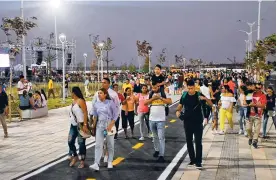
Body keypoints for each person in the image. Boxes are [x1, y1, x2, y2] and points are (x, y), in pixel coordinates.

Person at [175, 80, 213, 169]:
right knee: (189, 141)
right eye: (188, 88)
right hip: (187, 121)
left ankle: (198, 162)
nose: (190, 90)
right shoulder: (184, 95)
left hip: (197, 121)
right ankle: (192, 160)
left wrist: (206, 99)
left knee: (198, 142)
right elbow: (180, 105)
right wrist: (177, 111)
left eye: (192, 88)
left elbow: (211, 105)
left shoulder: (199, 95)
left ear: (195, 87)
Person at [89, 88, 118, 171]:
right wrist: (93, 128)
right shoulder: (96, 104)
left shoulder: (110, 102)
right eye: (98, 93)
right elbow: (95, 116)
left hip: (109, 125)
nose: (99, 94)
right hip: (100, 125)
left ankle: (110, 161)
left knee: (110, 144)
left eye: (101, 93)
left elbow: (116, 115)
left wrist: (111, 124)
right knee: (98, 145)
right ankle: (96, 163)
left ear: (105, 94)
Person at [144, 81, 172, 163]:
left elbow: (170, 102)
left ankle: (161, 155)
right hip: (152, 119)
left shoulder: (164, 93)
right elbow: (145, 103)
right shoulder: (150, 94)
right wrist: (153, 98)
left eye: (155, 87)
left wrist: (160, 98)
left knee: (161, 138)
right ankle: (156, 150)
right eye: (152, 87)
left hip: (161, 120)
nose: (154, 89)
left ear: (158, 87)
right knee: (155, 137)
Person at [68, 87, 89, 168]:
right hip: (73, 125)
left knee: (81, 143)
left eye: (71, 92)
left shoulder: (81, 101)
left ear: (74, 93)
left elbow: (85, 112)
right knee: (70, 141)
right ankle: (75, 156)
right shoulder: (73, 102)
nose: (71, 94)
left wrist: (85, 125)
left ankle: (82, 161)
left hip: (81, 125)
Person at [247, 83, 266, 148]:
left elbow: (263, 105)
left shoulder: (263, 95)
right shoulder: (251, 93)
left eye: (259, 88)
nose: (257, 89)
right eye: (256, 88)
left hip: (258, 114)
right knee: (248, 128)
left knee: (257, 129)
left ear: (261, 88)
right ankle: (250, 137)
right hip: (250, 113)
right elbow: (246, 101)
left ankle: (255, 140)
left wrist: (255, 105)